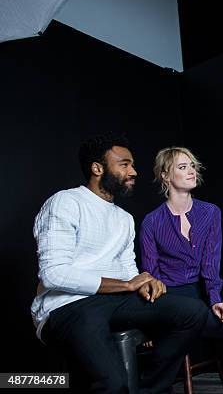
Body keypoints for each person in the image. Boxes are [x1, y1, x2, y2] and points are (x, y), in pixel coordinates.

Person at [31, 133, 207, 393]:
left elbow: (129, 271)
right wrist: (126, 284)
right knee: (112, 383)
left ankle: (149, 390)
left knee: (193, 312)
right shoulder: (65, 202)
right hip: (68, 305)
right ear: (97, 168)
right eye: (124, 164)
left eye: (132, 164)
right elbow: (54, 275)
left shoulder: (124, 218)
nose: (133, 171)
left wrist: (145, 283)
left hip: (116, 301)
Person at [140, 147, 223, 394]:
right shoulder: (152, 222)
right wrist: (151, 325)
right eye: (182, 167)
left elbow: (211, 264)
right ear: (165, 176)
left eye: (192, 165)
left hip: (201, 297)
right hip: (172, 303)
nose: (191, 171)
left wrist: (216, 300)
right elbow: (150, 276)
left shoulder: (210, 212)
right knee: (201, 314)